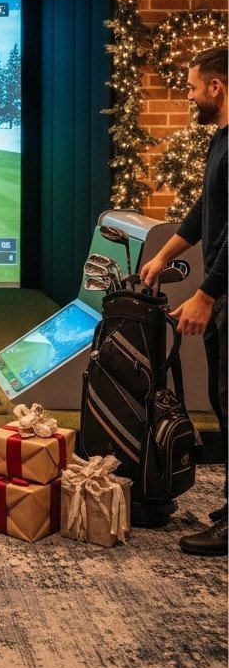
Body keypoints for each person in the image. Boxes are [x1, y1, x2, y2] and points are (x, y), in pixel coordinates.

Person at [140, 45, 228, 557]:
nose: (190, 96)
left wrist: (206, 294)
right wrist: (162, 255)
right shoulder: (221, 140)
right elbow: (203, 211)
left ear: (216, 86)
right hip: (223, 296)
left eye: (194, 88)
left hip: (225, 294)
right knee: (221, 399)